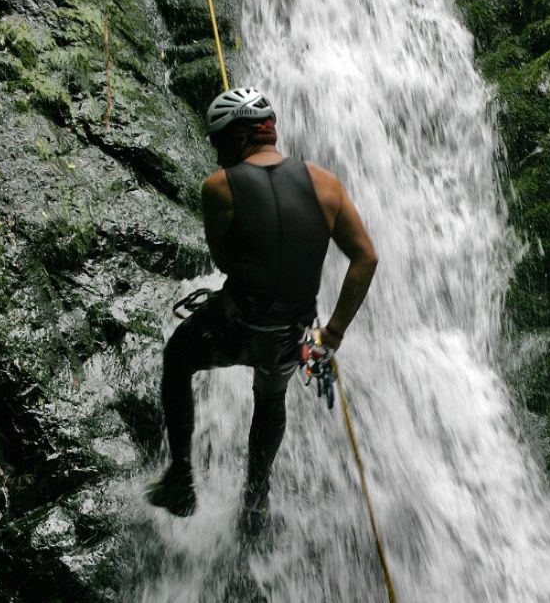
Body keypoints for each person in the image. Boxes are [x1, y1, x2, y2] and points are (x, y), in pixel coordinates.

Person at [146, 87, 377, 532]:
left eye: (218, 143)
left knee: (178, 357)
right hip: (288, 333)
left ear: (236, 138)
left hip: (236, 322)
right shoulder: (326, 183)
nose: (217, 155)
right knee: (270, 397)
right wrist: (332, 335)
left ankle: (180, 477)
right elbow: (366, 257)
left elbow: (225, 262)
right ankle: (256, 501)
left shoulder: (218, 188)